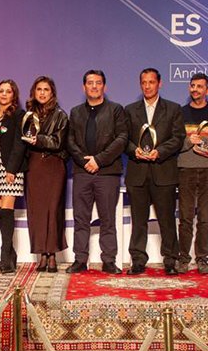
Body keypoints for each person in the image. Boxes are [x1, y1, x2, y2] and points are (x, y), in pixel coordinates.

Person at [65, 70, 128, 274]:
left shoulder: (116, 110)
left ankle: (109, 260)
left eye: (98, 83)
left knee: (107, 219)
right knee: (81, 218)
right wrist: (86, 162)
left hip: (107, 172)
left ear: (104, 87)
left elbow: (122, 139)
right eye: (90, 83)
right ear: (84, 87)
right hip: (83, 172)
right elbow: (70, 140)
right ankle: (80, 260)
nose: (94, 86)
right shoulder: (75, 112)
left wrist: (98, 160)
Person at [124, 68, 184, 275]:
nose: (148, 86)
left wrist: (159, 152)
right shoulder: (130, 110)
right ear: (140, 84)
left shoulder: (173, 109)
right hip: (137, 172)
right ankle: (138, 260)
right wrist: (135, 151)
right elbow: (124, 139)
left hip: (164, 172)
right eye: (144, 82)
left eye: (151, 82)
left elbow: (178, 138)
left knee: (167, 220)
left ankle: (170, 260)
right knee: (138, 220)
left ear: (160, 83)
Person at [176, 73, 208, 275]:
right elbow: (173, 143)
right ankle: (183, 259)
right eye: (192, 86)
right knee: (186, 218)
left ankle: (202, 259)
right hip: (186, 170)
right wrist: (190, 141)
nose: (195, 89)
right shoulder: (180, 113)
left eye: (200, 86)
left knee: (205, 218)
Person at [24, 76, 69, 273]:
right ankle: (41, 254)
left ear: (52, 93)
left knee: (53, 210)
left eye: (46, 89)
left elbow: (58, 142)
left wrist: (38, 140)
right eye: (39, 89)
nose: (42, 93)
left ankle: (52, 255)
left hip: (53, 166)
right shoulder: (28, 115)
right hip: (34, 167)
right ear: (34, 92)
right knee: (37, 212)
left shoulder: (61, 115)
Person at [0, 79, 27, 274]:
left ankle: (5, 258)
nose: (4, 94)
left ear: (14, 95)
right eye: (1, 91)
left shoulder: (18, 115)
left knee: (7, 211)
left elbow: (20, 145)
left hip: (10, 169)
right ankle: (10, 254)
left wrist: (11, 169)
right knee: (1, 213)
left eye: (8, 91)